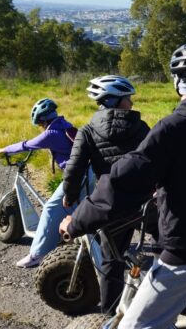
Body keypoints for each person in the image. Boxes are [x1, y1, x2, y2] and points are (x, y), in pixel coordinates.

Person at [60, 43, 186, 328]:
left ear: (176, 82)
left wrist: (76, 221)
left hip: (184, 254)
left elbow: (123, 181)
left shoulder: (172, 128)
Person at [61, 75, 150, 315]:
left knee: (112, 261)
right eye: (127, 98)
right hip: (145, 203)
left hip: (109, 204)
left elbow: (74, 168)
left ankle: (110, 315)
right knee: (165, 250)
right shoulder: (141, 127)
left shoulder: (88, 131)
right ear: (115, 100)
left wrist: (69, 195)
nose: (131, 103)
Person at [0, 98, 88, 268]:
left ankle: (38, 254)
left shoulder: (51, 134)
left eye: (40, 125)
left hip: (77, 176)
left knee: (50, 208)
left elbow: (26, 145)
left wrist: (2, 149)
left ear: (42, 120)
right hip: (89, 172)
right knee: (78, 207)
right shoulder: (66, 126)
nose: (41, 128)